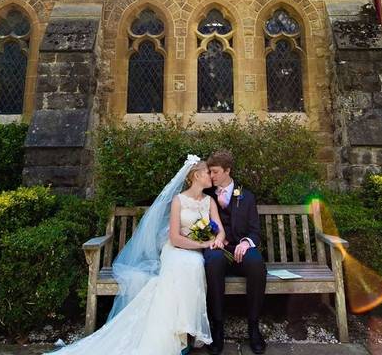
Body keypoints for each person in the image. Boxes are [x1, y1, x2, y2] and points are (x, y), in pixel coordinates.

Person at [52, 155, 226, 355]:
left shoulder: (209, 201)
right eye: (207, 173)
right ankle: (176, 335)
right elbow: (175, 238)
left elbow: (219, 229)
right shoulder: (178, 201)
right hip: (176, 250)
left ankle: (185, 331)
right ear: (196, 176)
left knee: (194, 266)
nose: (211, 176)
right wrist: (204, 243)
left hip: (195, 252)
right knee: (183, 266)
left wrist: (218, 239)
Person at [203, 150, 267, 355]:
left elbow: (255, 230)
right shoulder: (206, 196)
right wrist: (213, 239)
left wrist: (246, 243)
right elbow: (199, 226)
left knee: (257, 264)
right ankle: (218, 328)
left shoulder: (246, 196)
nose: (211, 176)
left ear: (227, 171)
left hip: (241, 248)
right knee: (212, 263)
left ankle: (253, 327)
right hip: (218, 248)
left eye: (215, 172)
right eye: (210, 172)